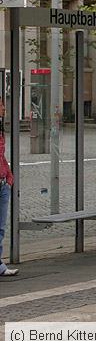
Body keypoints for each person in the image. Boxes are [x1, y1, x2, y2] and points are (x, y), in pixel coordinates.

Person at [0, 98, 19, 276]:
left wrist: (9, 176)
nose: (4, 108)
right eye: (0, 105)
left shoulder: (1, 130)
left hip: (3, 183)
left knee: (1, 227)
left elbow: (1, 155)